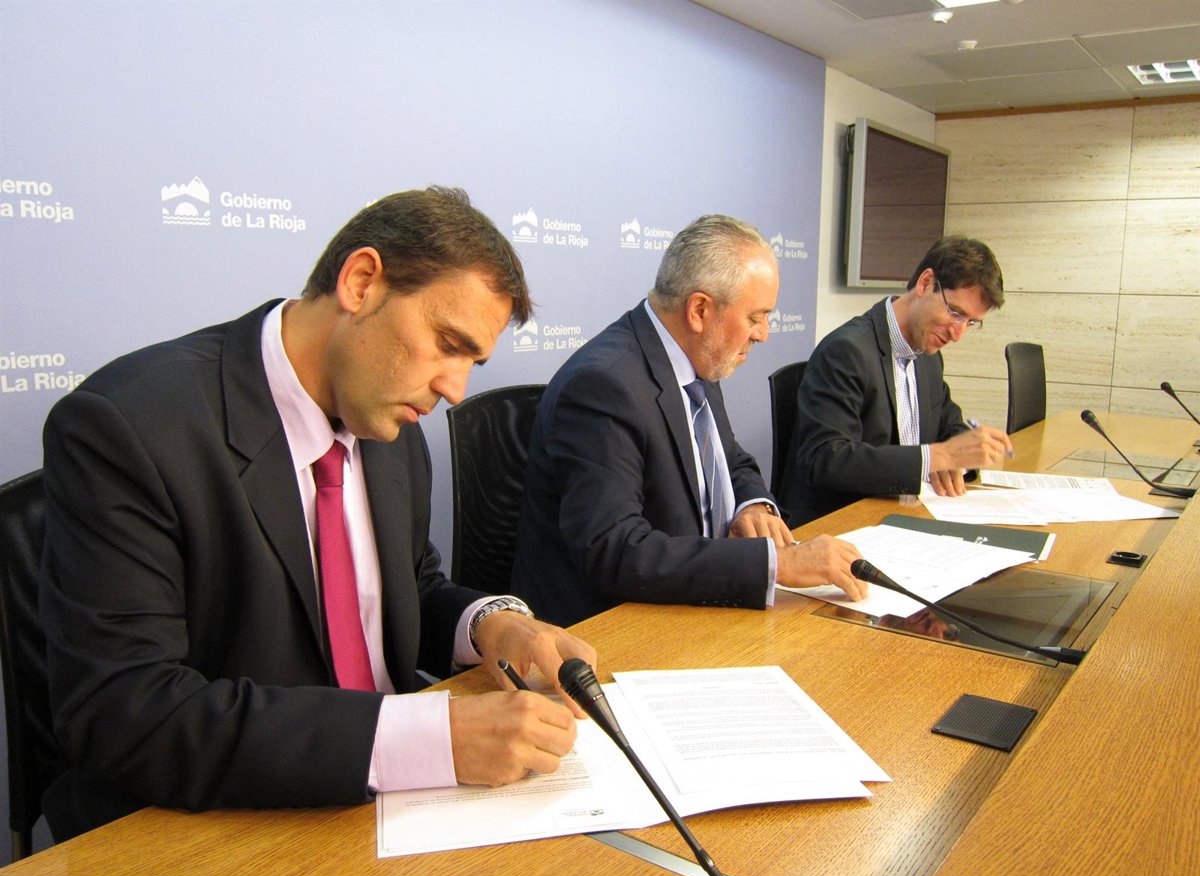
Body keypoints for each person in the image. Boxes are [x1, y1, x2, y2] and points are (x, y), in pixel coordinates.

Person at [38, 186, 595, 841]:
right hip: (216, 830)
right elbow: (125, 714)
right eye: (448, 343)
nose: (454, 389)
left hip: (395, 814)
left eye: (472, 361)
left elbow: (404, 589)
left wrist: (490, 625)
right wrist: (425, 739)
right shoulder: (131, 427)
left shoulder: (390, 421)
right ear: (361, 282)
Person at [511, 214, 864, 628]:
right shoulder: (603, 386)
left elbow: (730, 458)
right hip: (614, 626)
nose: (764, 334)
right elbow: (615, 550)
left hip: (692, 604)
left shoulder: (697, 356)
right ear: (700, 310)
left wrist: (752, 504)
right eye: (755, 317)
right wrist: (777, 564)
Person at [776, 235, 1014, 527]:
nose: (958, 333)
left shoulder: (929, 356)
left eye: (971, 322)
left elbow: (948, 423)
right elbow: (826, 459)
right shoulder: (846, 350)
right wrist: (933, 458)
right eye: (955, 313)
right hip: (839, 525)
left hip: (900, 516)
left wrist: (965, 449)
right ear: (925, 283)